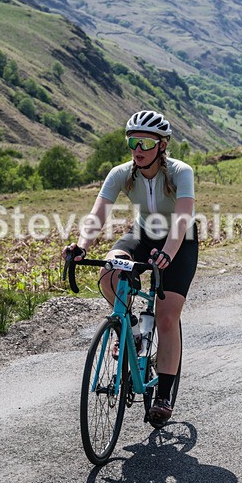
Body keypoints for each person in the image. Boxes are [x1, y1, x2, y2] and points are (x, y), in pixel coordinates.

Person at [63, 110, 197, 427]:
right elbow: (98, 213)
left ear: (162, 146)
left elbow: (182, 219)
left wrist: (167, 253)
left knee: (166, 317)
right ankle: (131, 329)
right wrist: (82, 245)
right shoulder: (122, 173)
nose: (137, 149)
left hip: (180, 241)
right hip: (142, 234)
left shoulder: (180, 172)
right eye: (132, 141)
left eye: (145, 143)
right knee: (108, 273)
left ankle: (163, 395)